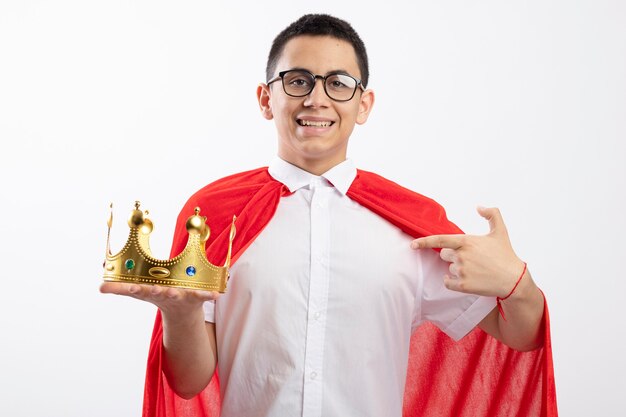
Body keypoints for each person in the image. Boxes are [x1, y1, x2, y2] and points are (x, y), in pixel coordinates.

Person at [101, 13, 556, 417]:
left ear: (364, 104)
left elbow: (520, 335)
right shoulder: (215, 214)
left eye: (338, 83)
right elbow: (188, 382)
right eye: (298, 80)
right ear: (265, 99)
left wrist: (517, 282)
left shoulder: (411, 224)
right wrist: (178, 316)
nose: (317, 99)